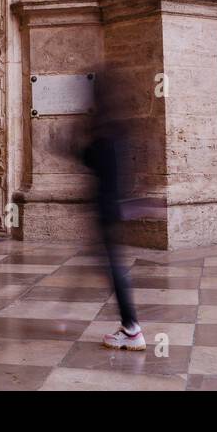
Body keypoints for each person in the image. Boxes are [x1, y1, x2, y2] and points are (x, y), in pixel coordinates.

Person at [80, 74, 144, 350]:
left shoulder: (101, 135)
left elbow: (83, 157)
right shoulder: (118, 130)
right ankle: (129, 326)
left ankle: (131, 328)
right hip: (114, 206)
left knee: (113, 269)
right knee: (109, 265)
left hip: (105, 209)